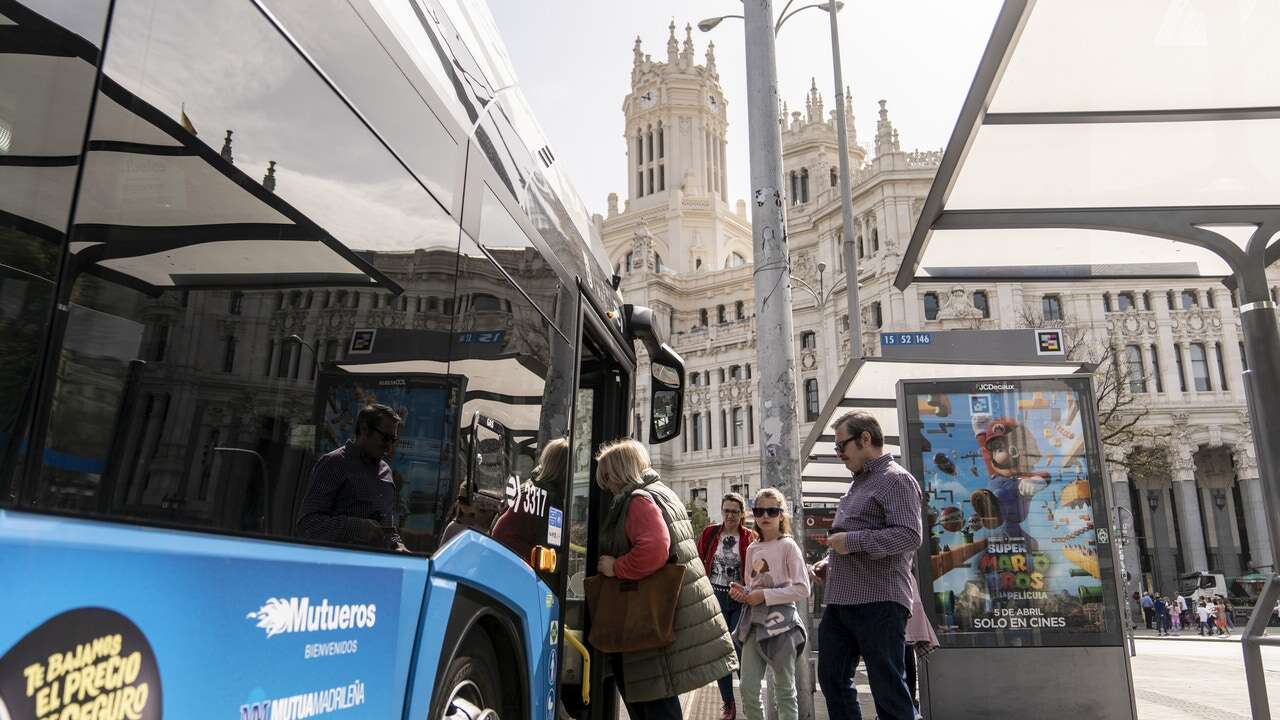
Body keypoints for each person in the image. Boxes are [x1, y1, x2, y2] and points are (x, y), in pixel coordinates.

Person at [594, 439, 736, 720]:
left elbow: (654, 549)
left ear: (618, 473)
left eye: (607, 477)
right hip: (668, 614)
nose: (607, 485)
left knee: (654, 703)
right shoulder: (661, 492)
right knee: (659, 697)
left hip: (648, 616)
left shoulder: (638, 500)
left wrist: (616, 567)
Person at [812, 411, 923, 720]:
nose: (838, 455)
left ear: (864, 439)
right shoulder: (857, 484)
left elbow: (909, 535)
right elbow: (848, 540)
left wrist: (852, 542)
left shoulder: (896, 479)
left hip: (880, 601)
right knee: (832, 680)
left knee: (888, 691)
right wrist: (829, 562)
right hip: (841, 601)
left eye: (841, 446)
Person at [731, 488, 810, 720]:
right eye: (759, 510)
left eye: (772, 510)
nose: (765, 516)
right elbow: (752, 586)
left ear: (781, 515)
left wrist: (764, 595)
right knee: (747, 688)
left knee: (784, 690)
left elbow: (802, 588)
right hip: (753, 621)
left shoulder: (788, 546)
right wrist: (743, 594)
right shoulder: (753, 547)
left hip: (782, 624)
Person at [297, 403, 406, 551]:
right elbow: (308, 524)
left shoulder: (386, 471)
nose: (389, 448)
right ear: (364, 429)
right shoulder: (333, 464)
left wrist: (397, 545)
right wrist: (357, 528)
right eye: (385, 438)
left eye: (393, 441)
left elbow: (386, 528)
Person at [698, 493, 755, 720]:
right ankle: (728, 704)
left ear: (742, 513)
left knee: (739, 647)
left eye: (734, 511)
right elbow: (698, 559)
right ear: (721, 512)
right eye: (726, 511)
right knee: (721, 651)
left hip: (739, 599)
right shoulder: (710, 533)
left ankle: (749, 698)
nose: (730, 515)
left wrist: (747, 588)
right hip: (716, 597)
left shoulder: (750, 537)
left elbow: (755, 570)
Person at [904, 579, 939, 717]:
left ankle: (910, 709)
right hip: (905, 608)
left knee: (900, 664)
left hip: (900, 609)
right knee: (904, 662)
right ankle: (910, 708)